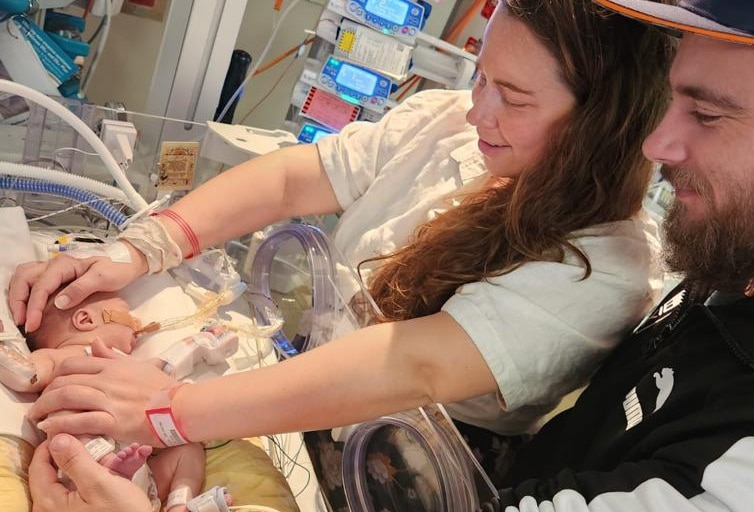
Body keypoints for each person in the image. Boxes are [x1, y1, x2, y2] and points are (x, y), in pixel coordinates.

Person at [15, 0, 672, 504]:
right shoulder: (445, 126)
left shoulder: (604, 268)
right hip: (294, 408)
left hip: (401, 474)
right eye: (482, 78)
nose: (477, 112)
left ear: (601, 125)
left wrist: (165, 412)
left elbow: (415, 366)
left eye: (515, 98)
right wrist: (142, 249)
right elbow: (290, 178)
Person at [0, 290, 209, 512]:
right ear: (85, 319)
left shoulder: (126, 363)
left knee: (190, 450)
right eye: (127, 316)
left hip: (142, 479)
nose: (138, 324)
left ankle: (179, 501)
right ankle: (106, 463)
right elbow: (25, 374)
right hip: (82, 465)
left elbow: (160, 374)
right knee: (65, 419)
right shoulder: (59, 357)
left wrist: (195, 344)